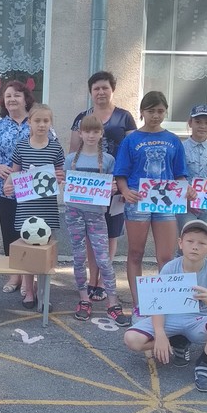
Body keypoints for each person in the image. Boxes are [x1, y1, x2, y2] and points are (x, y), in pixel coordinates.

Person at [124, 220, 207, 392]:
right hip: (173, 318)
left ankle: (203, 365)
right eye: (190, 241)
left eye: (201, 243)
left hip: (201, 319)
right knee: (132, 339)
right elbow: (158, 304)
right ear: (180, 243)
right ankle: (176, 341)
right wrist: (160, 334)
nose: (195, 247)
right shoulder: (170, 267)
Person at [114, 91, 192, 321]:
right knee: (135, 253)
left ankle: (165, 303)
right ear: (142, 112)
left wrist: (185, 188)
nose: (156, 115)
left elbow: (180, 173)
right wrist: (125, 191)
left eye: (160, 111)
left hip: (166, 202)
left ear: (165, 111)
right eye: (151, 111)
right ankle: (139, 304)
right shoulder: (131, 140)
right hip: (138, 200)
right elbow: (121, 173)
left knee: (166, 256)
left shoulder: (173, 140)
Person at [70, 71, 136, 301]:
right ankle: (92, 279)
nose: (101, 92)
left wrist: (123, 185)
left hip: (116, 185)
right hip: (89, 189)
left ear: (112, 90)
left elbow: (132, 151)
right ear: (90, 92)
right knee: (91, 235)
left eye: (105, 87)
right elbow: (73, 152)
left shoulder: (124, 117)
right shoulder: (82, 117)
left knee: (110, 233)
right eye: (96, 88)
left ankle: (102, 281)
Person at [64, 115, 126, 325]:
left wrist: (113, 188)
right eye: (87, 131)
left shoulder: (108, 160)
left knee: (103, 259)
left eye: (95, 131)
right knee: (78, 257)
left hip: (97, 214)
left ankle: (113, 302)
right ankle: (84, 298)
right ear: (80, 133)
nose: (91, 135)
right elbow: (66, 184)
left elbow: (113, 185)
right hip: (74, 213)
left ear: (101, 134)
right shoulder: (71, 159)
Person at [4, 103, 65, 308]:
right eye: (37, 120)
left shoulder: (55, 148)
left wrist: (59, 177)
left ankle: (43, 292)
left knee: (45, 252)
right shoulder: (21, 146)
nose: (41, 125)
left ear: (50, 123)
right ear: (29, 122)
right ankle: (29, 292)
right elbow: (14, 173)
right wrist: (8, 186)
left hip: (47, 207)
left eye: (46, 121)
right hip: (26, 207)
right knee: (28, 252)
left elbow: (60, 174)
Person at [0, 81, 34, 295]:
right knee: (10, 233)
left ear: (26, 99)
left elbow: (52, 151)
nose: (12, 99)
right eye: (8, 95)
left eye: (17, 95)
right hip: (6, 190)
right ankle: (14, 274)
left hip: (32, 191)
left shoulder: (38, 123)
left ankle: (29, 277)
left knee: (30, 233)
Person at [177, 105, 207, 236]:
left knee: (205, 238)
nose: (202, 126)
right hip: (186, 204)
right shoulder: (180, 147)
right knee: (187, 238)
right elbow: (176, 176)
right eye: (198, 122)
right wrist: (185, 201)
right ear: (190, 123)